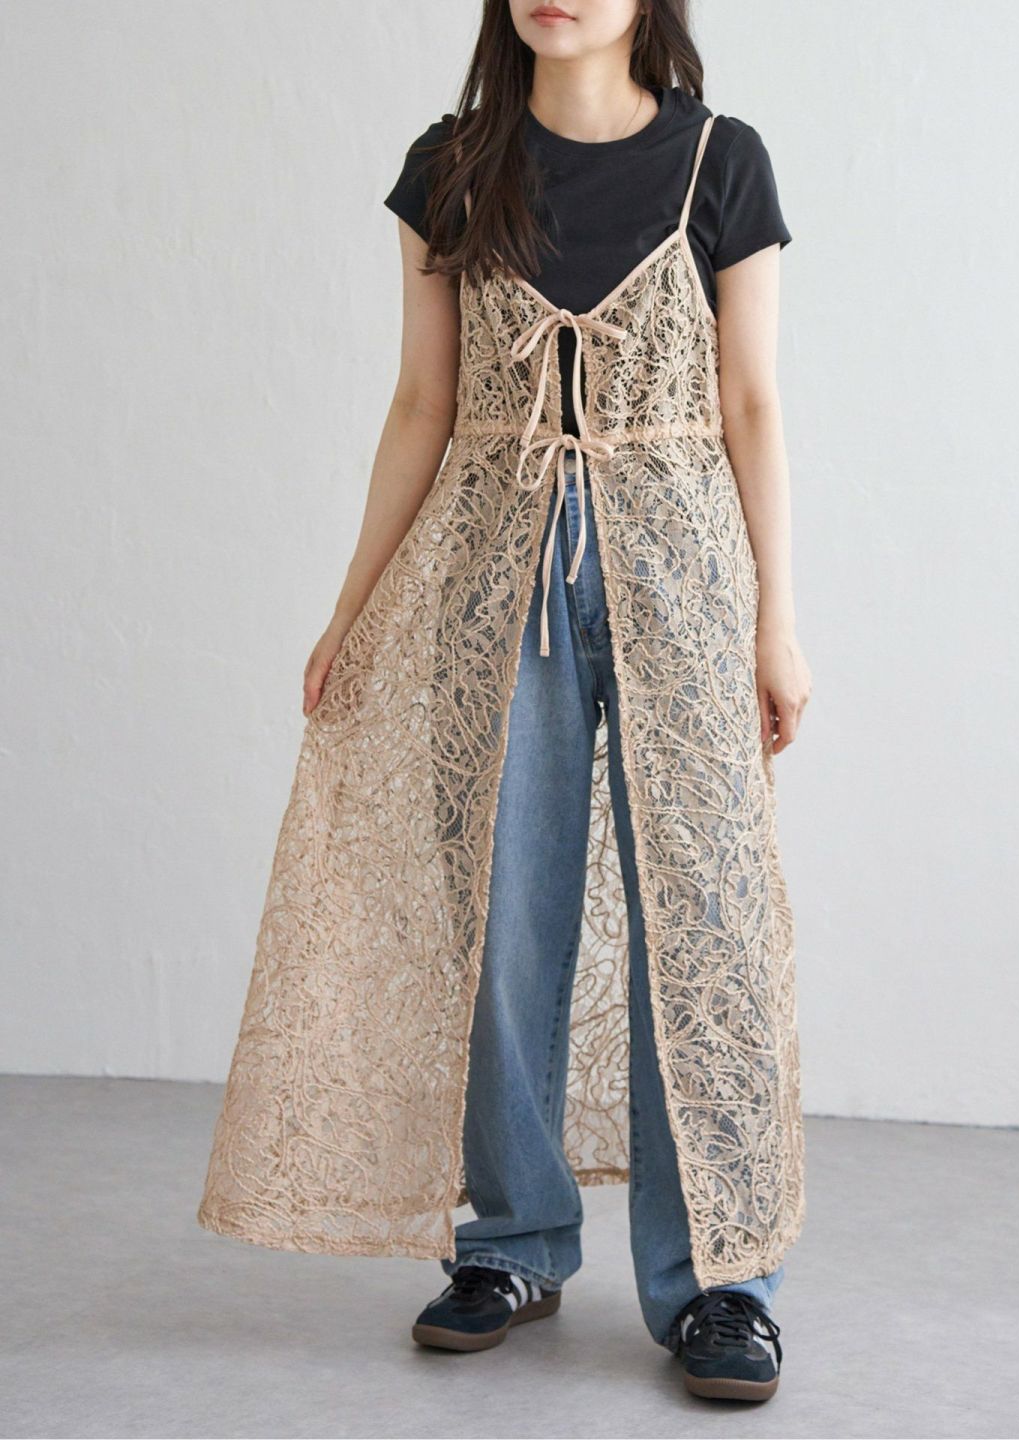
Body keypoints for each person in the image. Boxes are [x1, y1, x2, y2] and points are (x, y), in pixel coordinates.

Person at [197, 0, 812, 1407]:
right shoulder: (453, 168)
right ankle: (514, 1242)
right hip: (490, 578)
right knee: (496, 906)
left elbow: (752, 404)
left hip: (685, 581)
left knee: (703, 922)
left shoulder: (723, 161)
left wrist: (778, 620)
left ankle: (721, 1277)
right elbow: (424, 401)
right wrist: (350, 608)